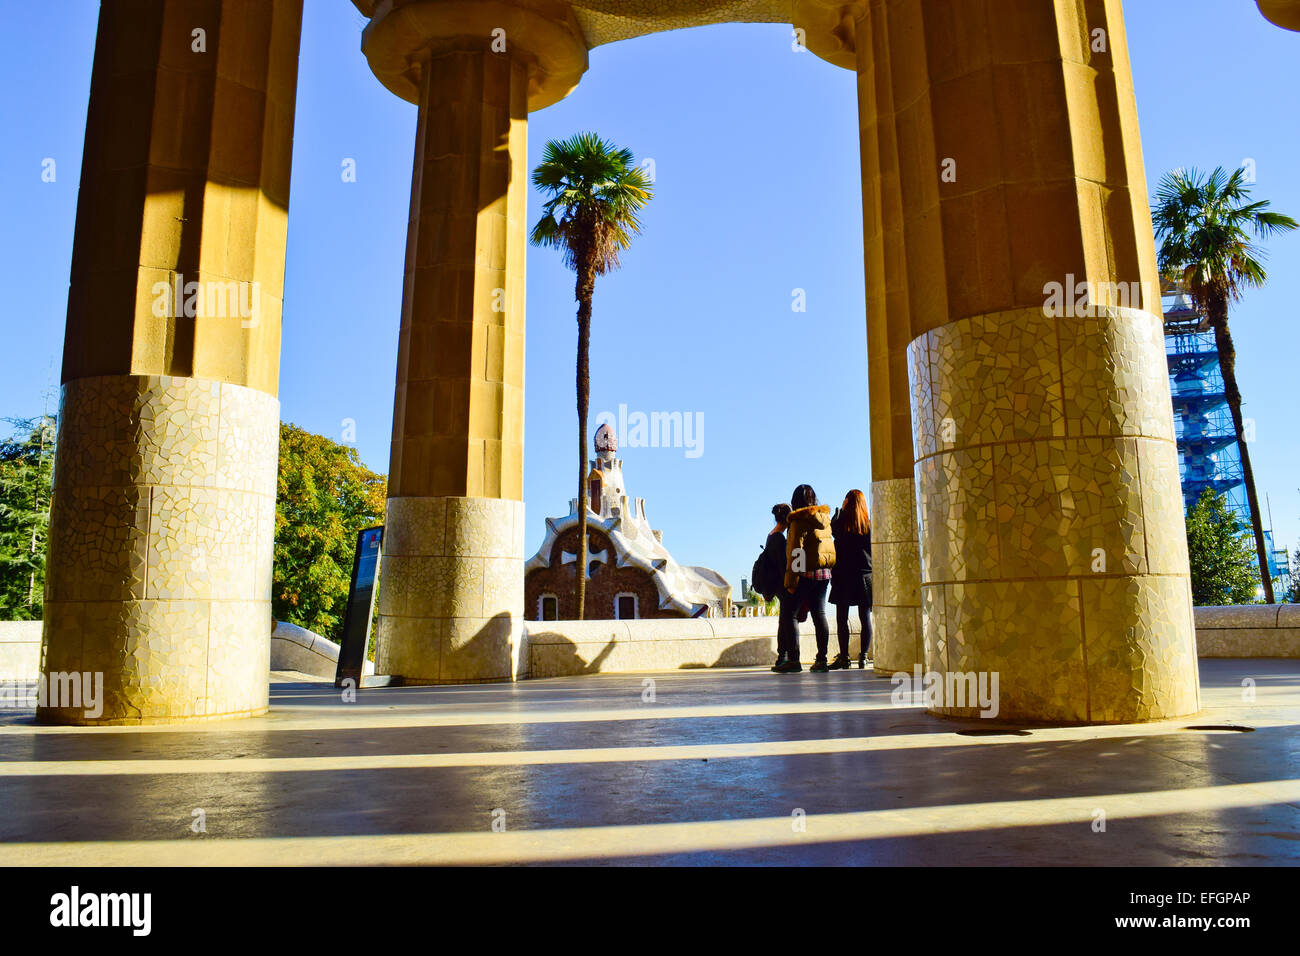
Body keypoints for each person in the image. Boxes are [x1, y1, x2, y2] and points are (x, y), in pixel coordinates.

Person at [775, 484, 835, 673]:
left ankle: (793, 660)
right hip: (824, 573)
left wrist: (792, 582)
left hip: (806, 574)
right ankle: (822, 659)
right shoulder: (824, 518)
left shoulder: (798, 519)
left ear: (796, 501)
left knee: (789, 614)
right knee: (820, 615)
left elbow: (796, 552)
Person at [829, 489, 873, 669]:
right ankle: (863, 657)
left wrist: (841, 509)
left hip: (844, 576)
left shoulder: (841, 525)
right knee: (865, 617)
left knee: (842, 618)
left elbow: (832, 530)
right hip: (865, 575)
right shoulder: (869, 526)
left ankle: (845, 657)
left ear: (847, 502)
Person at [761, 504, 796, 672]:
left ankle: (782, 656)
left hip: (774, 584)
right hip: (782, 584)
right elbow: (783, 565)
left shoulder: (771, 536)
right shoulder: (779, 539)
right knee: (786, 621)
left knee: (784, 620)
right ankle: (783, 656)